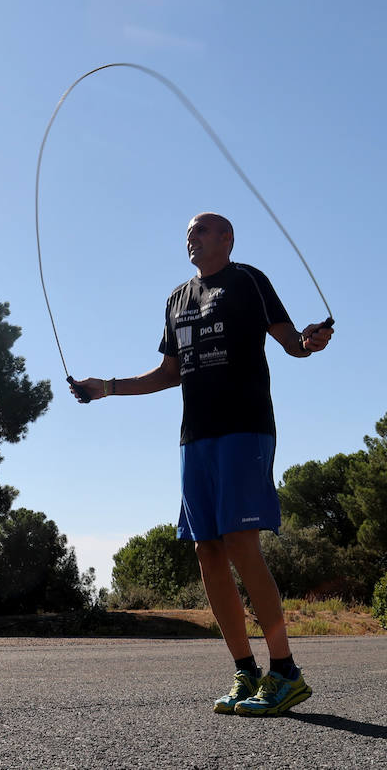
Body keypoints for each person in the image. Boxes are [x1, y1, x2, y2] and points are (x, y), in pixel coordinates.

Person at [69, 212, 332, 717]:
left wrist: (309, 342)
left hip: (245, 427)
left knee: (240, 542)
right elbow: (170, 372)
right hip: (196, 436)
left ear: (227, 239)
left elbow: (291, 342)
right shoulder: (176, 300)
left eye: (202, 230)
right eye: (188, 232)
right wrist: (106, 388)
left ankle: (286, 672)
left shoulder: (248, 280)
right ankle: (245, 671)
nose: (191, 236)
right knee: (207, 551)